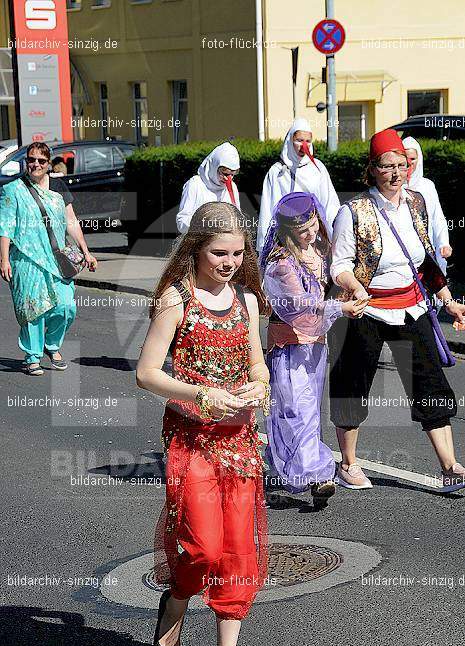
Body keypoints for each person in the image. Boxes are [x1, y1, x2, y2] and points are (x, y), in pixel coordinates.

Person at [136, 202, 272, 646]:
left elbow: (257, 364)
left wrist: (259, 385)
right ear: (196, 248)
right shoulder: (178, 299)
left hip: (238, 441)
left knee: (238, 551)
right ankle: (175, 601)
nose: (231, 261)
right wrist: (202, 395)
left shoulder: (247, 301)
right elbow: (147, 373)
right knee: (201, 547)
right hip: (190, 440)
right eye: (220, 252)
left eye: (238, 252)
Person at [329, 128, 465, 490]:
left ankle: (450, 465)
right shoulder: (354, 212)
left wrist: (449, 301)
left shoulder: (417, 202)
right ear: (372, 170)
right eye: (386, 167)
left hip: (412, 307)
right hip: (367, 310)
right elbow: (338, 264)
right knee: (353, 383)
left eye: (401, 165)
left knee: (430, 383)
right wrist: (355, 285)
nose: (395, 174)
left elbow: (425, 261)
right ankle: (349, 464)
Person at [260, 192, 369, 506]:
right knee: (293, 410)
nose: (309, 232)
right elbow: (297, 306)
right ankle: (317, 471)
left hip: (315, 344)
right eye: (301, 229)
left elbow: (334, 281)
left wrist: (351, 292)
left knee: (306, 411)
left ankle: (311, 472)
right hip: (288, 344)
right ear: (287, 230)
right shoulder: (281, 262)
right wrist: (339, 308)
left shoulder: (321, 249)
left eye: (312, 224)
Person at [0, 142, 98, 376]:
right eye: (31, 160)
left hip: (57, 258)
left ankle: (51, 345)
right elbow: (6, 226)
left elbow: (71, 222)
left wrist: (86, 251)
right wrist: (4, 259)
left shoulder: (58, 186)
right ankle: (32, 356)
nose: (35, 164)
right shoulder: (13, 190)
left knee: (65, 307)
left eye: (41, 161)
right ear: (26, 161)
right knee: (33, 309)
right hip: (26, 258)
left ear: (48, 163)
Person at [256, 118, 340, 252]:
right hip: (286, 241)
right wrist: (264, 247)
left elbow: (329, 204)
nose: (304, 145)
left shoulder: (318, 168)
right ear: (290, 141)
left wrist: (335, 237)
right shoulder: (276, 171)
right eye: (299, 140)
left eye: (308, 141)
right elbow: (268, 210)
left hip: (314, 237)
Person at [402, 136, 452, 274]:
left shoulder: (427, 186)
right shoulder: (394, 187)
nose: (409, 163)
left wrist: (443, 243)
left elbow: (438, 218)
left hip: (427, 253)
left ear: (419, 159)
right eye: (405, 158)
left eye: (413, 159)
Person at [176, 142, 241, 235]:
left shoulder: (232, 187)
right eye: (225, 174)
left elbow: (236, 218)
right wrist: (206, 227)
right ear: (214, 167)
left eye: (232, 175)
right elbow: (182, 221)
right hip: (198, 245)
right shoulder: (195, 185)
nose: (228, 179)